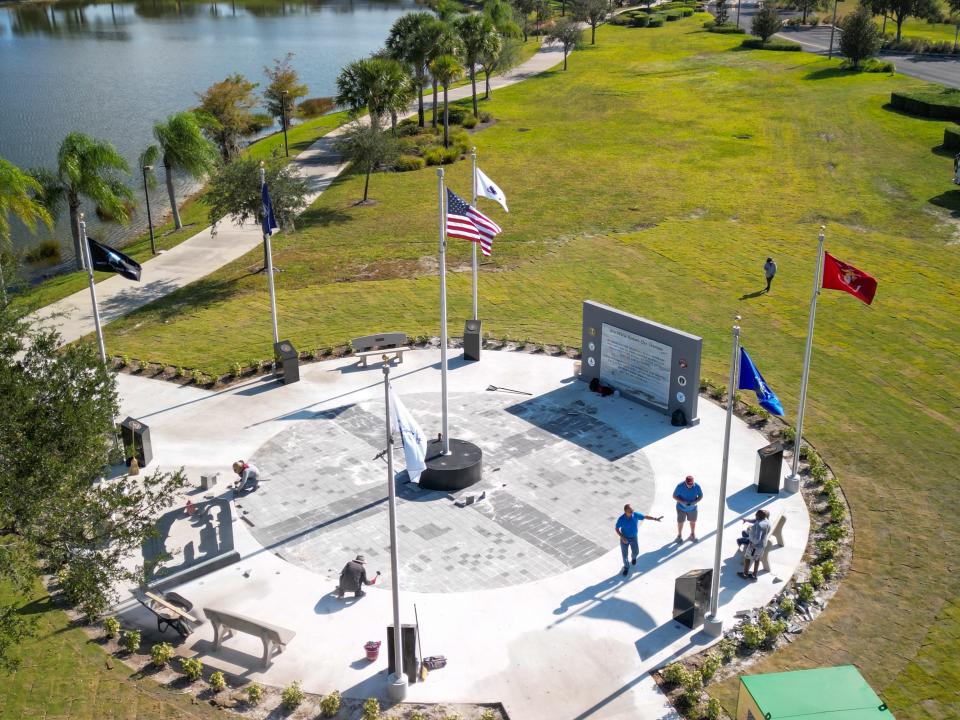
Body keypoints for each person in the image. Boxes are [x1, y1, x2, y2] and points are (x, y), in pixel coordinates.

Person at [615, 503, 662, 577]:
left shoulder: (635, 515)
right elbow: (617, 529)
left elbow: (645, 517)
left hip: (634, 537)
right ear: (625, 511)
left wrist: (655, 519)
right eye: (630, 511)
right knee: (625, 555)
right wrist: (622, 537)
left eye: (632, 510)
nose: (632, 512)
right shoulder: (621, 519)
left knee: (636, 551)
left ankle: (634, 557)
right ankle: (626, 567)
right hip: (624, 538)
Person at [738, 509, 771, 580]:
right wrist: (746, 520)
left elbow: (757, 539)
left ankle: (745, 574)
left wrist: (750, 532)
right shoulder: (767, 521)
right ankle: (754, 575)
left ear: (758, 516)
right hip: (762, 545)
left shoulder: (759, 525)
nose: (755, 517)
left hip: (754, 546)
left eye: (756, 515)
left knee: (747, 558)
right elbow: (755, 521)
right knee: (757, 559)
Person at [672, 475, 703, 543]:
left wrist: (695, 502)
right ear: (685, 482)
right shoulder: (680, 486)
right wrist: (682, 502)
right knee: (680, 522)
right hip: (681, 508)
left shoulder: (697, 486)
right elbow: (674, 496)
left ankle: (692, 535)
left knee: (693, 522)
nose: (690, 485)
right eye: (688, 484)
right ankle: (679, 536)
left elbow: (701, 496)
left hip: (693, 508)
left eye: (691, 484)